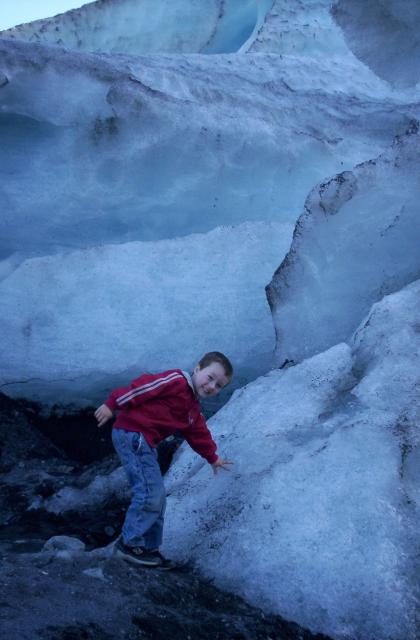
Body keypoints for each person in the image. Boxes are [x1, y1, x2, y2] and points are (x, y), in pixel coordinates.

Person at [95, 351, 234, 569]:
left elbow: (199, 434)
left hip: (144, 442)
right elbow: (143, 387)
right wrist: (113, 403)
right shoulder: (177, 381)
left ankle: (149, 549)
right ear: (198, 369)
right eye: (210, 377)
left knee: (158, 497)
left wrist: (213, 458)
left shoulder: (192, 409)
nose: (211, 386)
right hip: (133, 433)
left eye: (218, 386)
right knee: (149, 493)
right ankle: (129, 545)